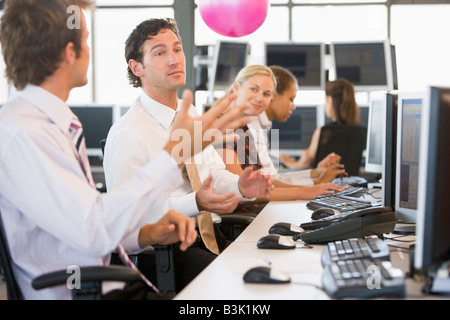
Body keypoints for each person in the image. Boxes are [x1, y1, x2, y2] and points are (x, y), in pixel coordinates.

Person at [0, 0, 253, 300]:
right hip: (85, 293)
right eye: (86, 42)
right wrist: (173, 152)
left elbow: (92, 221)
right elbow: (93, 228)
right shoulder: (24, 132)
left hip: (110, 283)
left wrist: (145, 234)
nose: (90, 52)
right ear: (70, 53)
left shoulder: (52, 123)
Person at [102, 18, 273, 291]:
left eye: (177, 49)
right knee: (240, 290)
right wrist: (195, 202)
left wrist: (240, 185)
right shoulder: (128, 133)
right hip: (165, 252)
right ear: (137, 68)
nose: (174, 59)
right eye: (160, 53)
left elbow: (213, 175)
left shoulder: (189, 112)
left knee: (271, 270)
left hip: (207, 237)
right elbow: (129, 216)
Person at [214, 65, 347, 201]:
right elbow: (242, 192)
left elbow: (267, 181)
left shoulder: (244, 128)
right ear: (236, 88)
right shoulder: (223, 129)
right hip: (246, 216)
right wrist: (307, 191)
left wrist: (314, 188)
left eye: (266, 94)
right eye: (254, 89)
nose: (260, 98)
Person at [250, 65, 347, 186]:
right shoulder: (251, 127)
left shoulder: (262, 126)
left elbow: (273, 177)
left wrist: (315, 173)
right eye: (291, 99)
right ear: (273, 94)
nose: (293, 106)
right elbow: (265, 184)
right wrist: (317, 182)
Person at [279, 78, 361, 170]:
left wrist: (290, 163)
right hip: (351, 182)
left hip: (324, 182)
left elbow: (305, 164)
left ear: (330, 100)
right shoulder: (361, 131)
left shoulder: (324, 132)